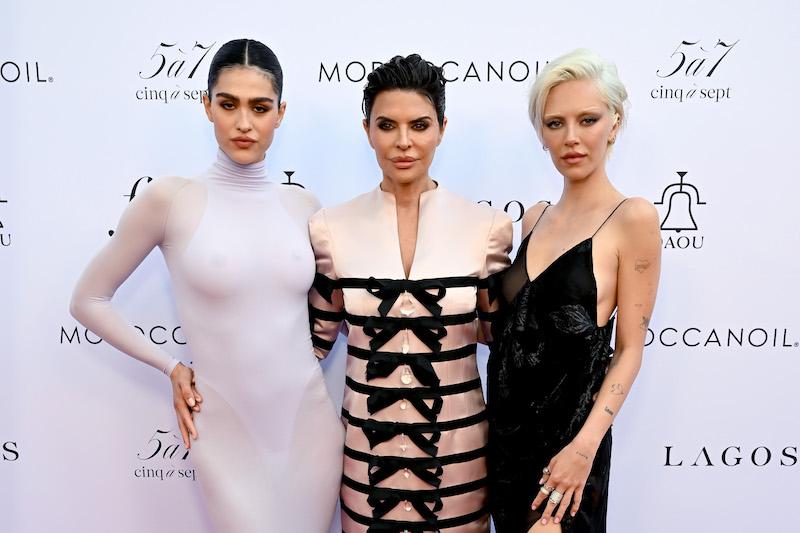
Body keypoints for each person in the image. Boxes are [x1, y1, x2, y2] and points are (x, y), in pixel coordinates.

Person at [69, 39, 343, 532]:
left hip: (310, 426)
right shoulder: (171, 200)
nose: (244, 123)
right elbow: (88, 299)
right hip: (224, 429)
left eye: (260, 108)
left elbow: (339, 310)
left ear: (280, 113)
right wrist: (170, 365)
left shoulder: (304, 205)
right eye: (228, 105)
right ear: (206, 106)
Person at [308, 54, 512, 532]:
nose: (403, 142)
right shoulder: (329, 230)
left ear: (442, 127)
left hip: (460, 464)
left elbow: (504, 344)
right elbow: (310, 346)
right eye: (387, 125)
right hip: (365, 467)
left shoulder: (489, 230)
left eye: (419, 125)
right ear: (366, 130)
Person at [487, 49, 661, 533]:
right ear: (541, 136)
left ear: (615, 123)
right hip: (503, 443)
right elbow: (509, 329)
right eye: (555, 123)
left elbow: (628, 351)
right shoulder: (534, 217)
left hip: (568, 454)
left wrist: (584, 449)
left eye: (587, 119)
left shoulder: (633, 219)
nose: (572, 138)